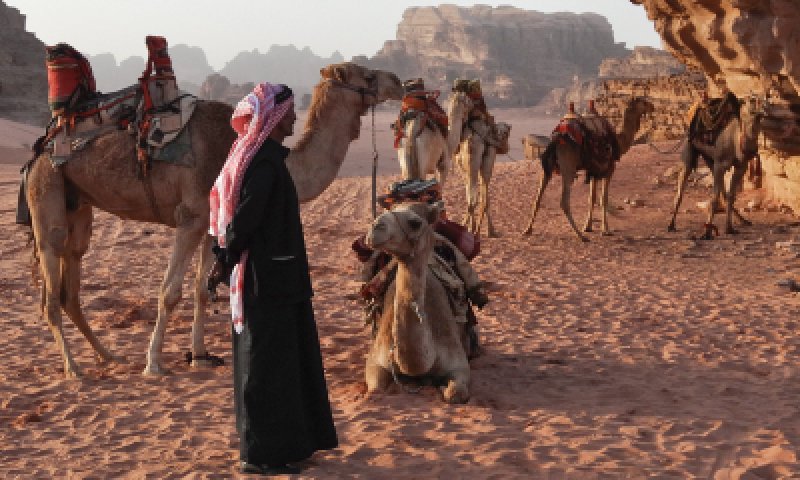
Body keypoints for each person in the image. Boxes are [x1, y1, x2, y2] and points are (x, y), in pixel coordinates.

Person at [207, 82, 338, 475]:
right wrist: (225, 258)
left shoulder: (265, 159)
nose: (295, 118)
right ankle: (261, 454)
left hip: (278, 278)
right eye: (290, 113)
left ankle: (286, 446)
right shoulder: (263, 164)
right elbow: (244, 220)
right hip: (267, 281)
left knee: (283, 363)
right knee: (265, 366)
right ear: (274, 117)